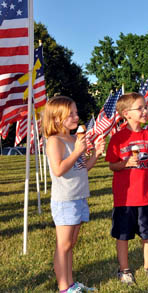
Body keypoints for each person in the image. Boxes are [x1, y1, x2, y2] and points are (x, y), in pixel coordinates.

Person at [43, 96, 105, 293]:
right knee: (63, 245)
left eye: (76, 112)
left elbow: (82, 168)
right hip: (65, 200)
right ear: (56, 119)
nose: (77, 117)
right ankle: (63, 288)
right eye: (71, 114)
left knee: (71, 244)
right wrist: (78, 151)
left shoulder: (73, 139)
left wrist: (95, 154)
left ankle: (71, 283)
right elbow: (59, 169)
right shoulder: (54, 141)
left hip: (79, 197)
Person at [105, 92, 148, 285]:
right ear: (126, 113)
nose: (145, 111)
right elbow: (112, 165)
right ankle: (124, 270)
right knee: (123, 235)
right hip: (125, 199)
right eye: (140, 108)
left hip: (147, 195)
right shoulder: (118, 138)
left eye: (145, 107)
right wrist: (126, 163)